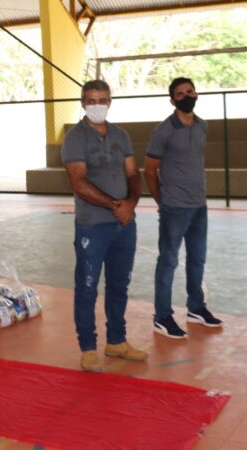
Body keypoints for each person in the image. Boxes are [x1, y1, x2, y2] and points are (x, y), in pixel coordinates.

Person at [61, 79, 148, 373]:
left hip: (124, 224)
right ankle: (88, 348)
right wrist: (116, 206)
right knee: (87, 287)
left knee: (119, 285)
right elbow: (79, 183)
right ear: (83, 103)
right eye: (91, 100)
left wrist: (131, 203)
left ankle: (117, 341)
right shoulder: (75, 137)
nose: (96, 105)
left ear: (110, 102)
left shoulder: (121, 135)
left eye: (102, 100)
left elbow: (133, 173)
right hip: (93, 227)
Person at [145, 77, 223, 339]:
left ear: (196, 94)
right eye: (180, 94)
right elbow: (150, 170)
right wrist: (162, 201)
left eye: (190, 91)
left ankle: (196, 308)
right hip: (175, 207)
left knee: (197, 258)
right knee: (168, 261)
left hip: (199, 206)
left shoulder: (202, 125)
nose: (186, 96)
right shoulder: (163, 131)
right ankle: (162, 316)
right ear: (172, 100)